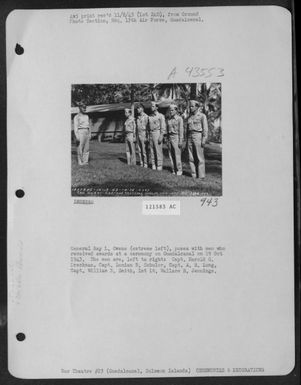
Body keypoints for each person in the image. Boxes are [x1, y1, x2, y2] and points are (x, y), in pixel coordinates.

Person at [187, 100, 208, 179]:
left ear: (197, 107)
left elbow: (205, 129)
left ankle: (201, 176)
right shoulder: (190, 117)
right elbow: (187, 130)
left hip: (198, 136)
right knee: (191, 157)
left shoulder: (202, 116)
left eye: (192, 106)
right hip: (190, 136)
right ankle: (193, 174)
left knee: (199, 157)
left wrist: (204, 139)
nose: (190, 108)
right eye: (190, 106)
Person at [166, 104, 184, 175]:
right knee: (171, 154)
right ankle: (173, 169)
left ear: (176, 110)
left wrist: (180, 140)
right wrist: (167, 139)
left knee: (177, 154)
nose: (171, 112)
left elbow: (181, 130)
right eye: (170, 110)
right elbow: (167, 131)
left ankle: (179, 170)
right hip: (170, 137)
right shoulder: (169, 119)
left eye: (172, 110)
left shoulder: (179, 119)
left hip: (176, 137)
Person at [148, 102, 166, 171]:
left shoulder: (160, 116)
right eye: (151, 106)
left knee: (158, 150)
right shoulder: (150, 116)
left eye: (153, 106)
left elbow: (163, 127)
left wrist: (161, 135)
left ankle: (159, 165)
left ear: (156, 107)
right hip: (151, 133)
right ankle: (153, 164)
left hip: (157, 132)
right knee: (152, 150)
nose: (151, 107)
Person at [73, 102, 91, 166]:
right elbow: (75, 127)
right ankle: (80, 162)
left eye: (85, 107)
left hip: (86, 131)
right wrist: (77, 136)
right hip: (80, 132)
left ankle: (85, 161)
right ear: (79, 108)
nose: (84, 108)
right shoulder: (76, 117)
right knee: (80, 147)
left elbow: (89, 126)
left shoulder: (87, 116)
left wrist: (89, 134)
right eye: (83, 107)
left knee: (87, 148)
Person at [136, 103, 149, 168]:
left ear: (142, 109)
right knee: (139, 150)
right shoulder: (138, 118)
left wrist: (147, 136)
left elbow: (147, 128)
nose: (137, 109)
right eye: (137, 108)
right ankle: (141, 163)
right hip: (138, 134)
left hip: (144, 134)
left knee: (144, 150)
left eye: (138, 108)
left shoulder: (146, 117)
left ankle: (146, 163)